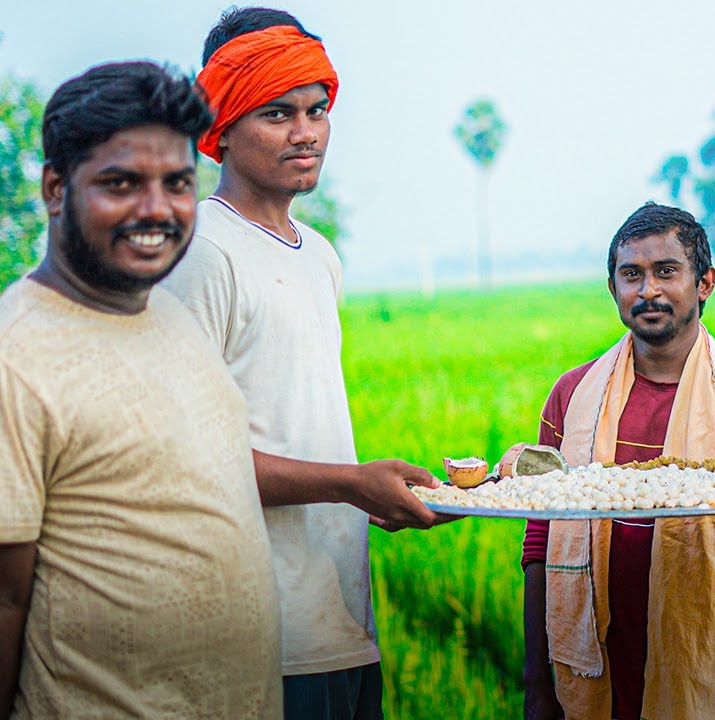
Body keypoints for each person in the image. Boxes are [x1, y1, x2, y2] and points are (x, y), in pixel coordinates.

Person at [161, 8, 441, 718]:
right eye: (277, 112)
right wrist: (351, 484)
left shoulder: (318, 255)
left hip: (341, 623)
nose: (306, 131)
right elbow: (186, 462)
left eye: (317, 109)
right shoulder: (200, 254)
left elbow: (294, 426)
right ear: (220, 126)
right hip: (255, 637)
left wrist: (368, 488)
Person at [0, 62, 281, 718]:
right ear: (53, 188)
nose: (156, 210)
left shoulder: (171, 315)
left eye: (177, 183)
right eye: (121, 184)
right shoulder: (16, 354)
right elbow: (4, 598)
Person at [521, 203, 715, 720]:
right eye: (631, 274)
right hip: (593, 677)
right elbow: (541, 540)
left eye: (666, 271)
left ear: (704, 283)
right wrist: (537, 684)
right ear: (612, 288)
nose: (648, 290)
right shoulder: (574, 397)